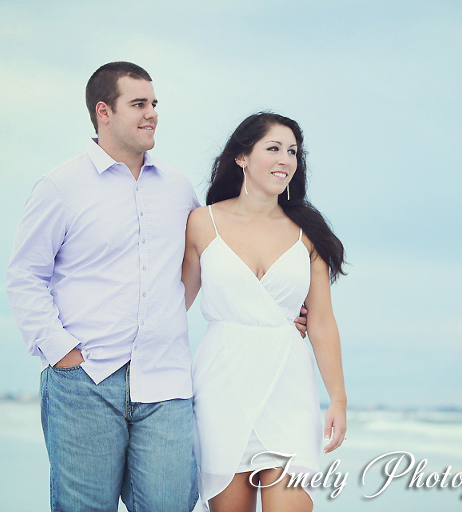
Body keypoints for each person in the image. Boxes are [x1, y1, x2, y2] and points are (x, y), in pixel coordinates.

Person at [5, 62, 200, 512]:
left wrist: (278, 311)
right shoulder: (60, 186)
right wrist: (62, 352)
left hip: (166, 379)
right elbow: (24, 275)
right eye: (139, 104)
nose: (152, 114)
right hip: (85, 381)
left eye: (154, 104)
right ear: (103, 111)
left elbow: (209, 258)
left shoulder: (178, 187)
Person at [182, 112, 347, 511]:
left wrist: (338, 399)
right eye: (273, 148)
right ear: (241, 157)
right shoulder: (202, 222)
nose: (285, 160)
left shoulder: (308, 232)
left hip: (288, 387)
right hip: (221, 385)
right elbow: (174, 305)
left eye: (292, 152)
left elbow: (322, 323)